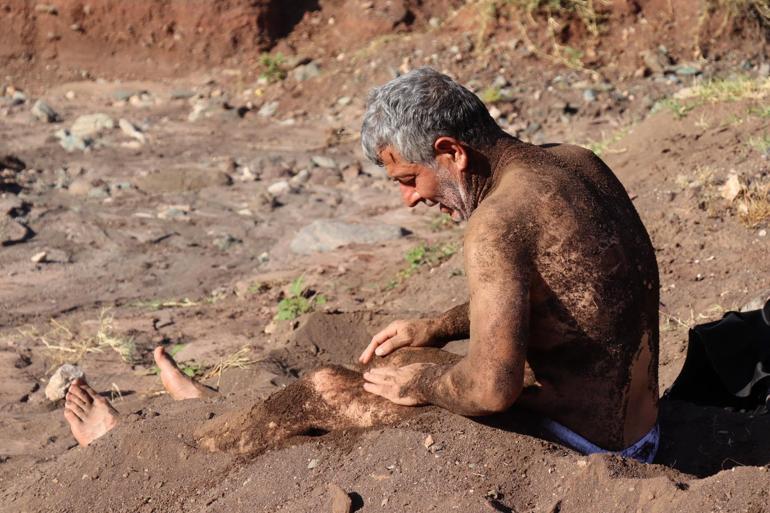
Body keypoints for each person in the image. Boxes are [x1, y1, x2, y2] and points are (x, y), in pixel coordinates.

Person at [65, 67, 660, 462]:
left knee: (320, 391)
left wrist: (424, 381)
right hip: (640, 427)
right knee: (405, 359)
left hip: (588, 445)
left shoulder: (495, 224)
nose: (409, 198)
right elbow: (561, 287)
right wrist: (435, 328)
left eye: (410, 179)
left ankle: (153, 452)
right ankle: (213, 414)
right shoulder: (576, 161)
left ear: (451, 152)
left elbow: (490, 389)